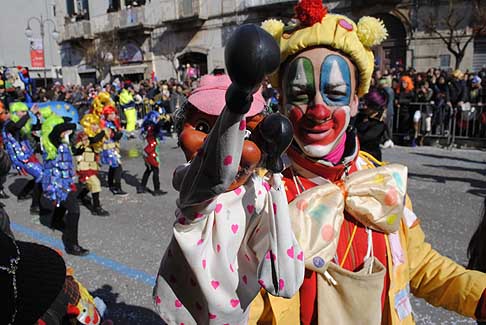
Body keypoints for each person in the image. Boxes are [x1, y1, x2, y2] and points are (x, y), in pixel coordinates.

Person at [258, 0, 486, 323]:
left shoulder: (379, 180)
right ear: (280, 101)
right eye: (300, 93)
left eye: (335, 92)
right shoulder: (262, 195)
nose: (318, 109)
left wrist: (480, 295)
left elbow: (419, 265)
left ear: (355, 101)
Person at [153, 26, 304, 324]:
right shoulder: (191, 183)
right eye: (202, 128)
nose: (210, 142)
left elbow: (285, 277)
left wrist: (274, 170)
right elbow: (216, 171)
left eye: (247, 132)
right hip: (184, 314)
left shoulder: (260, 192)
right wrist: (237, 102)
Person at [39, 109, 89, 256]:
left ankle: (55, 221)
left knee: (65, 203)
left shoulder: (61, 142)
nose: (65, 133)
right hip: (57, 183)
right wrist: (76, 125)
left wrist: (82, 146)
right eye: (62, 130)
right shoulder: (51, 142)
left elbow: (70, 153)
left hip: (66, 181)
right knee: (74, 211)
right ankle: (72, 245)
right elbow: (59, 129)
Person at [2, 102, 43, 213]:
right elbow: (16, 127)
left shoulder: (21, 123)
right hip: (20, 158)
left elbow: (36, 129)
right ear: (15, 112)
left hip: (28, 155)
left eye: (25, 111)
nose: (24, 113)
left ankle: (24, 194)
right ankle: (35, 206)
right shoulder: (9, 124)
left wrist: (38, 118)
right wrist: (29, 113)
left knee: (40, 174)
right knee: (41, 175)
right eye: (22, 111)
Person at [74, 113, 110, 216]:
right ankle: (96, 208)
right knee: (95, 183)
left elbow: (98, 146)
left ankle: (79, 197)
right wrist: (103, 132)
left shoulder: (93, 136)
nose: (96, 126)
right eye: (93, 124)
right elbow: (93, 140)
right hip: (83, 166)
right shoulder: (83, 136)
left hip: (91, 165)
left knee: (89, 185)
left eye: (97, 124)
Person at [137, 111, 168, 195]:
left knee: (149, 169)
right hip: (151, 151)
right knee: (155, 170)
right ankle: (156, 190)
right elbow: (158, 126)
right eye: (156, 117)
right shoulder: (152, 127)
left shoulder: (147, 126)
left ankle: (142, 187)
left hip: (146, 151)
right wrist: (163, 120)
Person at [99, 106, 127, 195]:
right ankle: (117, 187)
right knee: (118, 167)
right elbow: (112, 137)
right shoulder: (105, 125)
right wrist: (120, 132)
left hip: (113, 147)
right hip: (109, 148)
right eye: (112, 113)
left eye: (114, 113)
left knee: (113, 166)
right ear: (107, 115)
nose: (114, 115)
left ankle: (111, 184)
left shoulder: (111, 123)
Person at [355, 89, 388, 161]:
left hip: (370, 158)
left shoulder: (379, 124)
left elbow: (364, 138)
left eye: (369, 105)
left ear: (376, 107)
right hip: (354, 156)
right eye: (365, 103)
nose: (365, 107)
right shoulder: (359, 116)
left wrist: (351, 131)